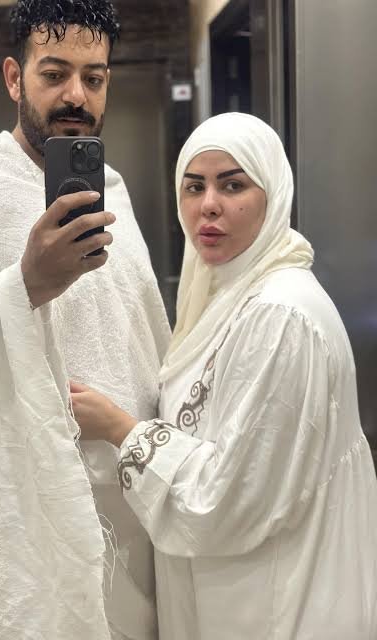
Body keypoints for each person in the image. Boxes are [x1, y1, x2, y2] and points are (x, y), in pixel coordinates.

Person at [0, 2, 170, 639]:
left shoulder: (114, 191)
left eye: (93, 77)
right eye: (55, 73)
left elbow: (144, 335)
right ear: (15, 78)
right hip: (27, 513)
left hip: (129, 502)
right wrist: (22, 288)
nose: (76, 95)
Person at [71, 112, 377, 640]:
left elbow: (228, 497)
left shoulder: (280, 317)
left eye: (232, 185)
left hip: (276, 606)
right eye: (194, 187)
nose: (208, 205)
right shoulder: (227, 295)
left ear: (273, 195)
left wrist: (121, 429)